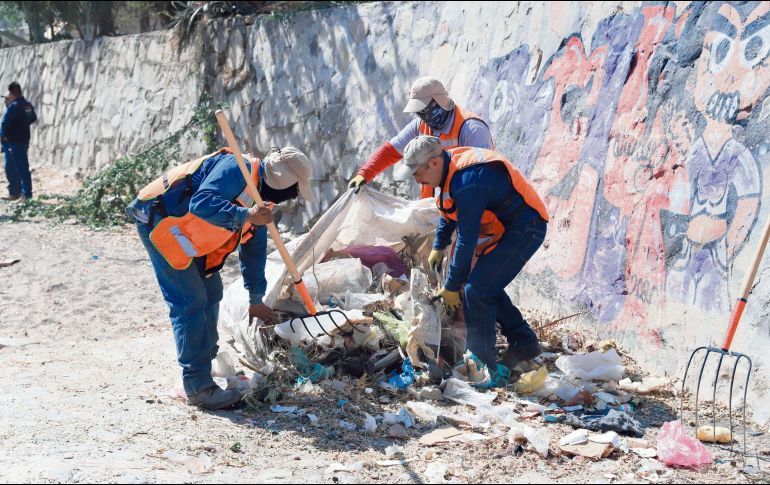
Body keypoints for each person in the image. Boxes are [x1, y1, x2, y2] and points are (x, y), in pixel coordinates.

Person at [126, 146, 314, 409]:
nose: (291, 197)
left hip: (188, 232)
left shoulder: (261, 201)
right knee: (189, 300)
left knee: (212, 292)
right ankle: (198, 386)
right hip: (162, 222)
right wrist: (245, 215)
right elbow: (201, 203)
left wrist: (256, 298)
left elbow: (254, 250)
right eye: (293, 189)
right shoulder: (237, 169)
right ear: (283, 180)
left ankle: (208, 364)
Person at [398, 136, 549, 386]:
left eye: (417, 172)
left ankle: (481, 364)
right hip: (506, 229)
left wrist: (450, 286)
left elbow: (467, 238)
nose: (416, 179)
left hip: (526, 228)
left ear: (434, 163)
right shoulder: (448, 174)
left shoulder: (469, 180)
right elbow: (450, 211)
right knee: (482, 285)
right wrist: (439, 245)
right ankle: (523, 341)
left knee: (476, 291)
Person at [348, 76, 493, 198]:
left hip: (468, 212)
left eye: (425, 109)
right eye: (418, 111)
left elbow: (484, 179)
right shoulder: (420, 126)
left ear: (440, 101)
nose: (422, 115)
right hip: (432, 214)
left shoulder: (471, 130)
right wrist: (364, 174)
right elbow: (390, 151)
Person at [1, 82, 37, 201]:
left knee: (12, 168)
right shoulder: (27, 105)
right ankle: (21, 193)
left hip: (12, 142)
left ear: (11, 93)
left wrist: (3, 138)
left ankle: (22, 194)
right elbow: (32, 118)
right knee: (22, 167)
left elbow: (4, 124)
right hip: (23, 140)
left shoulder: (14, 106)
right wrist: (22, 125)